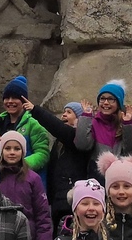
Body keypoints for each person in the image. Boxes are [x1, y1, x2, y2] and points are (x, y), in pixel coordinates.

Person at [24, 99, 99, 231]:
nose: (64, 115)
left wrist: (36, 110)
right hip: (57, 200)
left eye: (69, 112)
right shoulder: (59, 143)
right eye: (64, 111)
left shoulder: (77, 139)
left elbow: (57, 127)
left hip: (70, 200)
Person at [0, 130, 52, 240]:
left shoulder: (33, 178)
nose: (12, 152)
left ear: (23, 151)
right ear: (1, 151)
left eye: (17, 148)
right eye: (7, 148)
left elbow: (42, 214)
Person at [73, 81, 132, 165]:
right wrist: (85, 117)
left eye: (111, 99)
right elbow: (82, 145)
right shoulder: (93, 122)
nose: (106, 102)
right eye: (102, 98)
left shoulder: (125, 123)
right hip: (97, 170)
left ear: (118, 103)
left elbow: (131, 152)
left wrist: (127, 125)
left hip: (121, 170)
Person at [0, 76, 51, 175]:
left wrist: (20, 165)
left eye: (15, 98)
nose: (10, 101)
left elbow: (43, 154)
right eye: (7, 98)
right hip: (2, 177)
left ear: (24, 101)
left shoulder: (34, 123)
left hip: (26, 177)